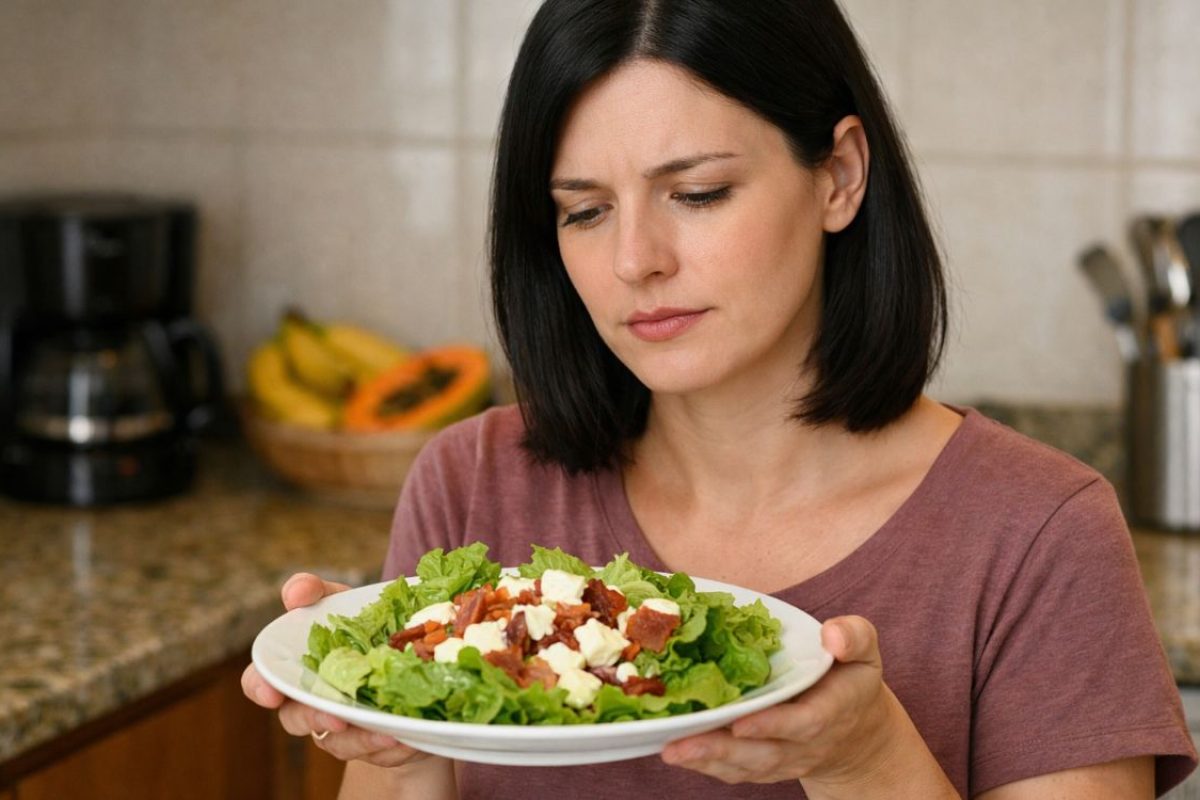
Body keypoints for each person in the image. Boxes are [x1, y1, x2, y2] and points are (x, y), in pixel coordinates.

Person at [243, 1, 1199, 797]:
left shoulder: (1040, 533)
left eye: (696, 193)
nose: (634, 262)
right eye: (584, 210)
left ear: (839, 176)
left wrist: (865, 760)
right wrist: (399, 748)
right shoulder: (471, 484)